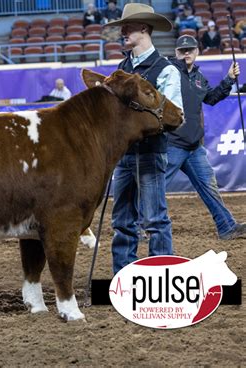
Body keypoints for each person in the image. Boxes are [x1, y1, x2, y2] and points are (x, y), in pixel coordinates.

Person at [104, 3, 184, 274]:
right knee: (122, 220)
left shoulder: (166, 69)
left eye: (127, 27)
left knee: (154, 219)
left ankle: (161, 275)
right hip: (125, 154)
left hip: (150, 152)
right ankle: (122, 277)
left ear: (143, 28)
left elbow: (172, 115)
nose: (123, 31)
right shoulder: (122, 68)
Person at [166, 35, 245, 240]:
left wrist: (228, 79)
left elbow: (211, 98)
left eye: (190, 50)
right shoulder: (169, 73)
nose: (186, 53)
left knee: (209, 187)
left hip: (193, 146)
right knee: (155, 188)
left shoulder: (199, 78)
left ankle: (227, 227)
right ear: (176, 53)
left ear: (197, 51)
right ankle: (137, 227)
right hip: (171, 143)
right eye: (182, 50)